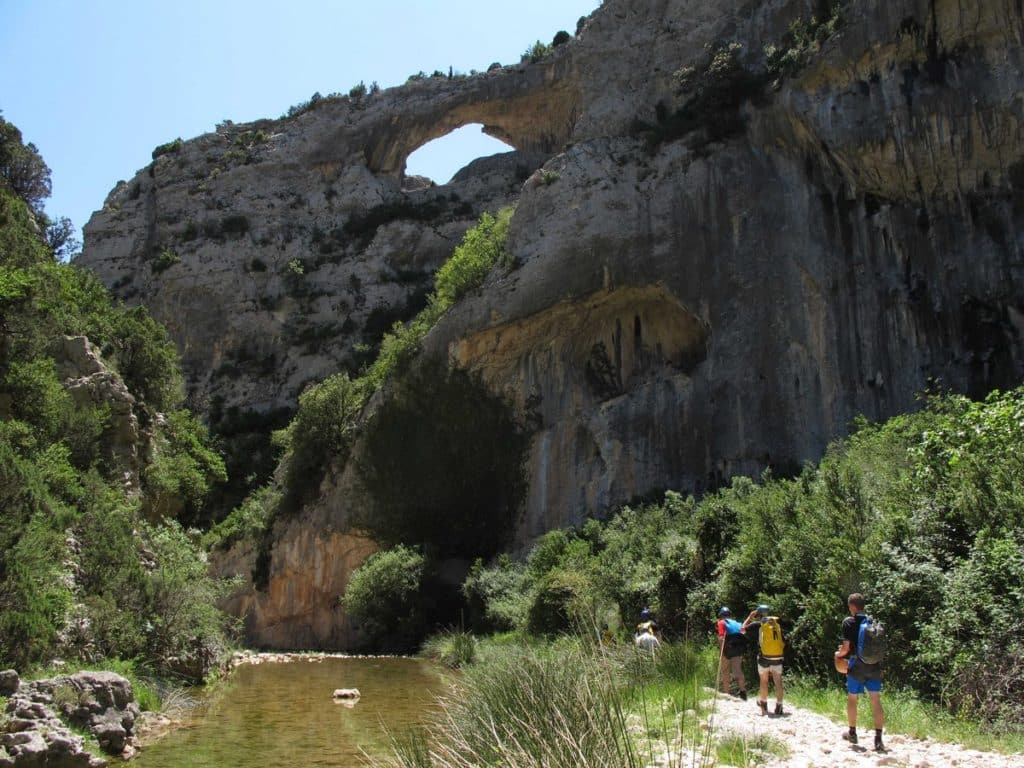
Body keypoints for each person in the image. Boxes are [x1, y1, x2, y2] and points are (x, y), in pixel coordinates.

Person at [834, 593, 884, 752]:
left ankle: (852, 732)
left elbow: (846, 648)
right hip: (874, 665)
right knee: (876, 700)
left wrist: (838, 655)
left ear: (852, 606)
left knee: (852, 698)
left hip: (856, 665)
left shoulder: (849, 622)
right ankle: (878, 739)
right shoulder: (872, 621)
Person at [741, 604, 785, 716]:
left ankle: (764, 706)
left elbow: (742, 630)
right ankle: (779, 706)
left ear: (758, 614)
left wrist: (750, 617)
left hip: (764, 657)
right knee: (778, 681)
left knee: (764, 681)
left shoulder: (758, 624)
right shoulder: (776, 623)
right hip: (778, 656)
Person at [716, 607, 747, 699]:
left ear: (721, 615)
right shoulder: (738, 623)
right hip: (737, 650)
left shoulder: (721, 623)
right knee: (738, 671)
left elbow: (721, 638)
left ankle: (727, 694)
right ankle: (743, 693)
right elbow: (743, 634)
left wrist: (722, 651)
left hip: (726, 650)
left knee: (725, 672)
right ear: (730, 615)